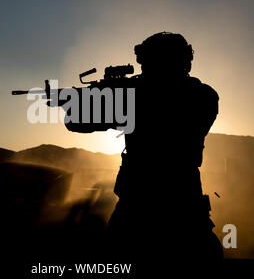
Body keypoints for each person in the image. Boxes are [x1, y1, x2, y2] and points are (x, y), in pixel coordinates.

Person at [65, 32, 223, 260]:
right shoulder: (204, 94)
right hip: (184, 208)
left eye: (147, 62)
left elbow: (75, 120)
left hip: (139, 212)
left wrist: (97, 99)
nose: (142, 69)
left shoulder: (193, 95)